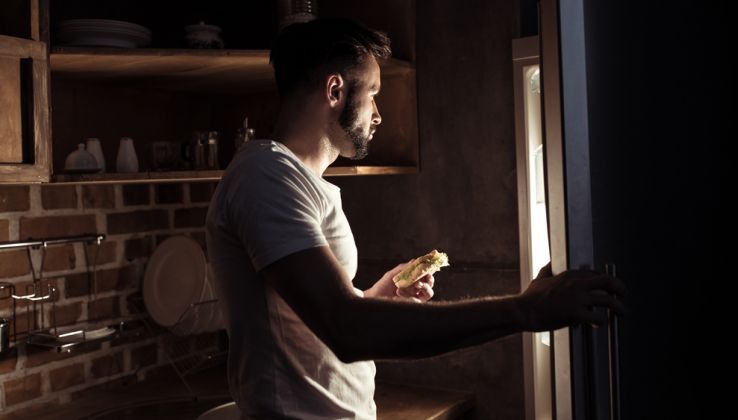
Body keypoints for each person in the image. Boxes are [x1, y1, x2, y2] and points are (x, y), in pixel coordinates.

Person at [205, 17, 625, 419]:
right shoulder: (267, 177)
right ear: (335, 89)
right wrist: (527, 310)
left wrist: (377, 297)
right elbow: (346, 329)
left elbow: (317, 319)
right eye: (372, 94)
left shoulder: (298, 182)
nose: (378, 115)